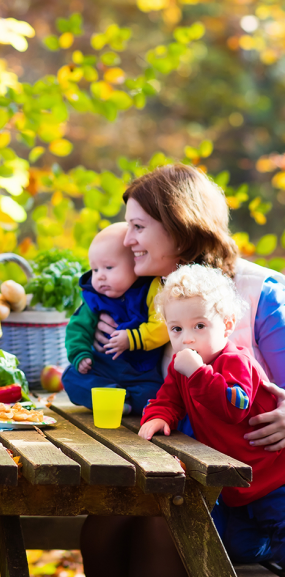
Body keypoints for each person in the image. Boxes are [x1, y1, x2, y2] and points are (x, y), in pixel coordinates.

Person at [80, 163, 285, 577]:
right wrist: (97, 340)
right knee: (106, 520)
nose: (127, 239)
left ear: (178, 225)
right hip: (189, 472)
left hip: (260, 493)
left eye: (137, 226)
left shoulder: (258, 293)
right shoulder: (144, 302)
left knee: (161, 528)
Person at [139, 264, 285, 566]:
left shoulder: (236, 361)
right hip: (235, 485)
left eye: (199, 326)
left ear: (228, 325)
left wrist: (197, 373)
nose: (187, 339)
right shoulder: (183, 368)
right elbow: (169, 398)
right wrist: (159, 416)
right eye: (177, 329)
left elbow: (235, 405)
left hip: (274, 476)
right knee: (235, 546)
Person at [62, 222, 168, 414]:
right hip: (103, 368)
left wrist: (132, 338)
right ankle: (116, 398)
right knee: (71, 378)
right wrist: (81, 354)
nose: (100, 276)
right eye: (95, 270)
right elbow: (77, 328)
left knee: (155, 393)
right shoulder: (94, 298)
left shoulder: (151, 290)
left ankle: (122, 402)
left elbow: (163, 325)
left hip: (141, 372)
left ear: (135, 264)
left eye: (108, 267)